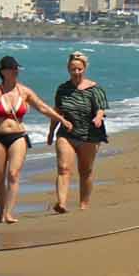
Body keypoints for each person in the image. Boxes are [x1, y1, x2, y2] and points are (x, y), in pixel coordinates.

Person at [0, 56, 74, 225]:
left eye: (17, 68)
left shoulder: (24, 92)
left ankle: (9, 213)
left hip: (18, 137)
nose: (15, 71)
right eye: (12, 68)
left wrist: (61, 120)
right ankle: (1, 211)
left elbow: (43, 107)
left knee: (13, 174)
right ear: (3, 72)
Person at [50, 52, 109, 214]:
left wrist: (98, 117)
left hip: (90, 135)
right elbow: (58, 112)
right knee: (63, 168)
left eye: (79, 69)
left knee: (85, 170)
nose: (76, 72)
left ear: (85, 69)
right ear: (68, 69)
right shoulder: (63, 89)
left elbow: (101, 109)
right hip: (66, 134)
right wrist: (50, 132)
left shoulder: (94, 89)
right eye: (73, 69)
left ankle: (84, 204)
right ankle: (61, 203)